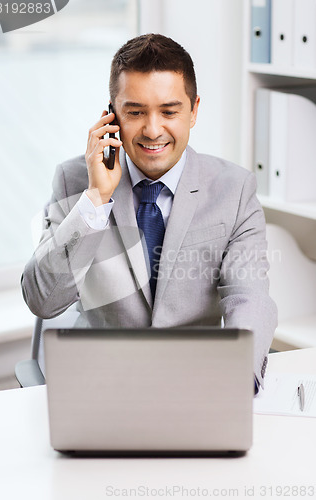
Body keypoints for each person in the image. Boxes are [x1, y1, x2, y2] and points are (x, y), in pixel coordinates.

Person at [21, 33, 277, 392]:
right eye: (135, 112)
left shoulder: (234, 190)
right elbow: (42, 300)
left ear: (194, 110)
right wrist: (95, 199)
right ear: (111, 115)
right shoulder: (75, 180)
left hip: (195, 385)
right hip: (99, 387)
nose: (153, 130)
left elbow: (249, 297)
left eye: (169, 111)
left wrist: (237, 377)